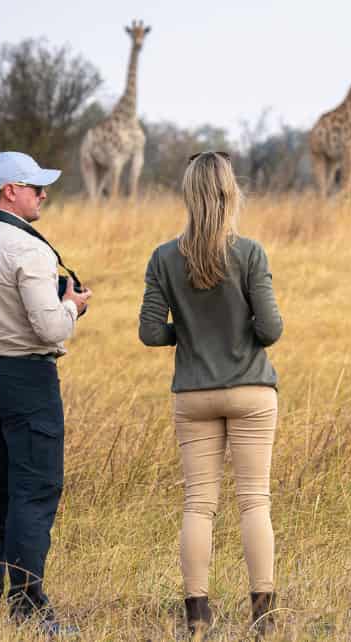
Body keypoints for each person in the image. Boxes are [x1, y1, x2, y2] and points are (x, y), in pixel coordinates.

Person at [0, 151, 92, 635]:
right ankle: (29, 607)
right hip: (28, 379)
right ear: (11, 191)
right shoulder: (30, 250)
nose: (43, 194)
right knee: (35, 489)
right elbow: (50, 330)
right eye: (35, 187)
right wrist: (70, 305)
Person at [139, 151, 284, 638]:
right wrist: (235, 330)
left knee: (198, 505)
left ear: (188, 195)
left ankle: (197, 615)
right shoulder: (249, 252)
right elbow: (271, 329)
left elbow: (149, 333)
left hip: (193, 394)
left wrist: (189, 332)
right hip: (250, 390)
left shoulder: (163, 257)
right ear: (230, 192)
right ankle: (263, 614)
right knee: (254, 503)